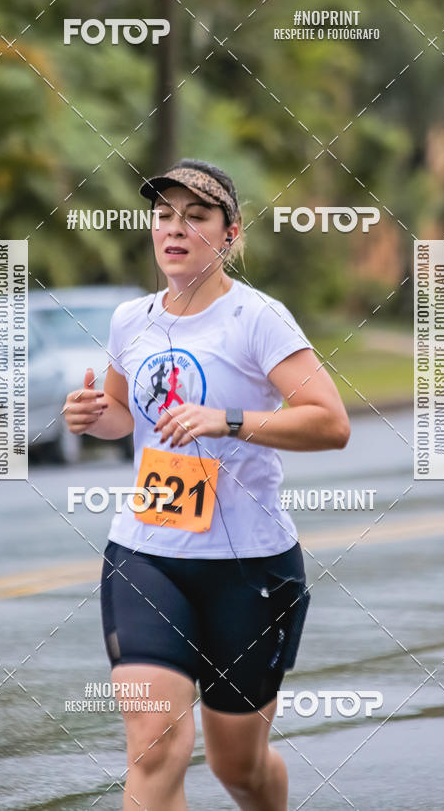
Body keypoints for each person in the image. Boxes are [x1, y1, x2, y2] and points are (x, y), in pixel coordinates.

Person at [63, 159, 350, 811]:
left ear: (230, 235)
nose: (175, 228)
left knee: (237, 765)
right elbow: (119, 413)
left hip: (248, 568)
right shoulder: (130, 320)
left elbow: (330, 424)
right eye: (164, 215)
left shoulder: (258, 319)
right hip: (145, 556)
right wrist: (92, 417)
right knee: (157, 739)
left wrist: (231, 420)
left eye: (196, 216)